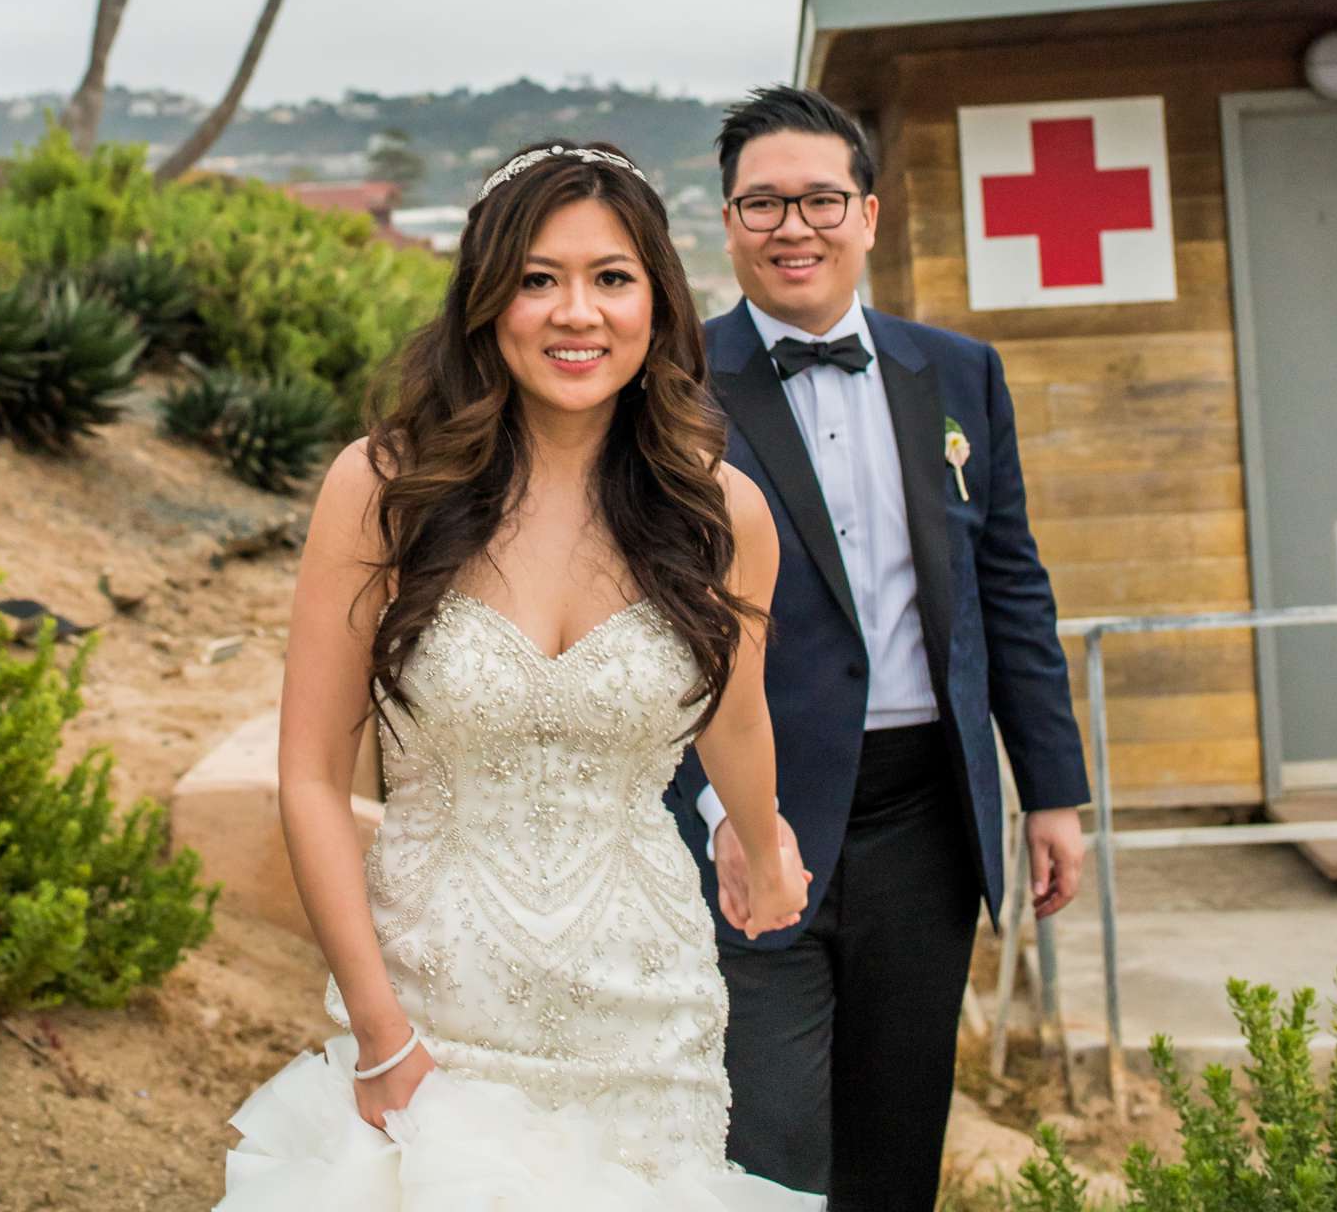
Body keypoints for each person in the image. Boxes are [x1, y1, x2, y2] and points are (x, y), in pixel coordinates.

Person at [216, 139, 823, 1209]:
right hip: (438, 1016)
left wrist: (759, 838)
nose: (575, 313)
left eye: (610, 279)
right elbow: (310, 777)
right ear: (486, 302)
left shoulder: (723, 514)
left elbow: (734, 720)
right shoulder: (382, 491)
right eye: (538, 279)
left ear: (658, 303)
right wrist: (377, 1031)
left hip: (647, 1023)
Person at [668, 86, 1090, 1212]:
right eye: (762, 204)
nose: (791, 227)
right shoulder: (666, 385)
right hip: (751, 808)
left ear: (868, 213)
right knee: (769, 1137)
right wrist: (723, 817)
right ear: (727, 222)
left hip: (923, 813)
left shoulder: (956, 373)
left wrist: (1050, 791)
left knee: (898, 1132)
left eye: (818, 200)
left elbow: (1010, 587)